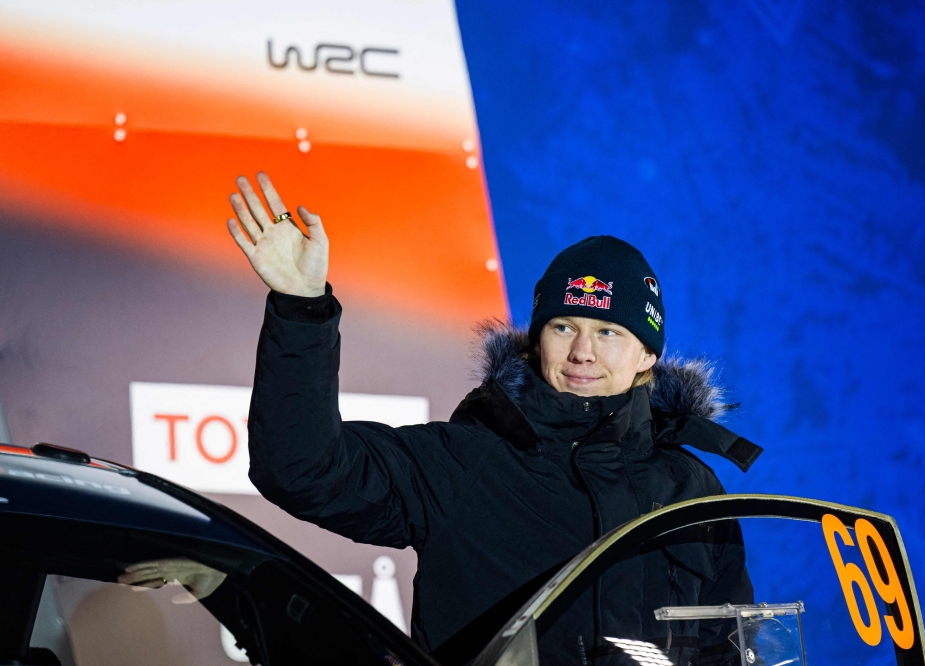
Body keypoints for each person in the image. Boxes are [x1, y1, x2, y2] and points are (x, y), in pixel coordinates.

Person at [226, 172, 763, 665]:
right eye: (563, 327)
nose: (582, 352)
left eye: (608, 333)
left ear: (647, 355)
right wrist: (301, 308)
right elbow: (302, 470)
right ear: (535, 340)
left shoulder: (690, 488)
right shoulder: (464, 460)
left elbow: (728, 648)